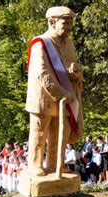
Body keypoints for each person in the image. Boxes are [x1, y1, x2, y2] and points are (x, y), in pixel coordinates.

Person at [25, 6, 83, 176]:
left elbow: (69, 66)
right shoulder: (40, 44)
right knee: (39, 133)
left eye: (71, 23)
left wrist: (76, 72)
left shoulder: (69, 43)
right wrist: (62, 93)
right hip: (43, 99)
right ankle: (35, 164)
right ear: (52, 22)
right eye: (66, 23)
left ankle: (55, 164)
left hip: (64, 97)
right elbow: (43, 74)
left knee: (59, 134)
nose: (70, 27)